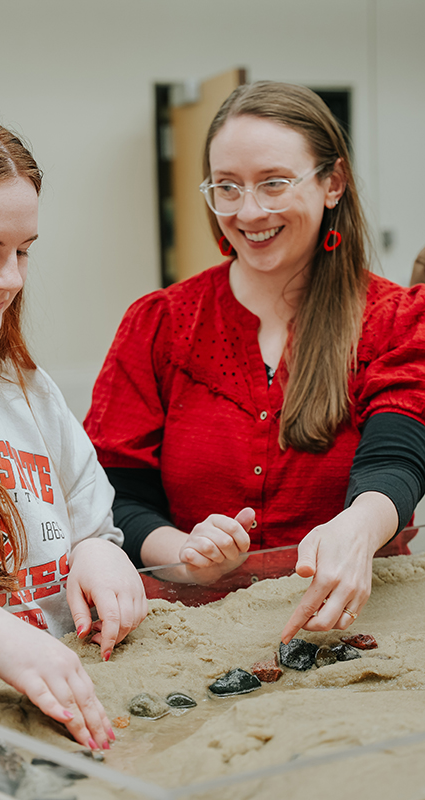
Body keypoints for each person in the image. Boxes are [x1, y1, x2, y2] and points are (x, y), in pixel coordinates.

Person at [85, 81, 425, 645]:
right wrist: (184, 553)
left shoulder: (395, 318)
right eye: (227, 187)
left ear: (332, 183)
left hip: (358, 632)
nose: (248, 211)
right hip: (195, 636)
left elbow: (398, 457)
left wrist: (359, 528)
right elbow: (116, 496)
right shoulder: (159, 323)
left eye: (273, 183)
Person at [0, 111, 147, 751]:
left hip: (66, 695)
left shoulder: (20, 381)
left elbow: (85, 507)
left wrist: (98, 550)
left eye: (23, 252)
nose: (12, 278)